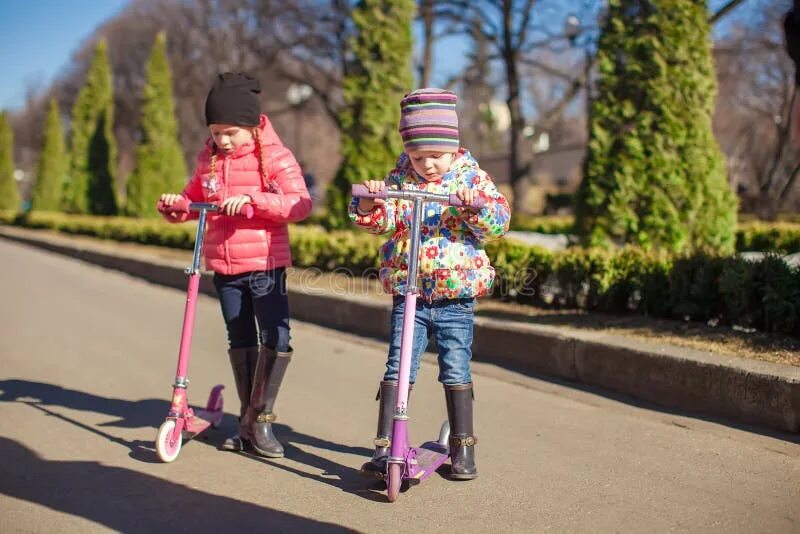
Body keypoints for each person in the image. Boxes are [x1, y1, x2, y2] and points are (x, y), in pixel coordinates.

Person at [349, 88, 511, 480]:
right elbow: (385, 221)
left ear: (452, 148)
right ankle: (385, 446)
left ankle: (463, 448)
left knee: (455, 366)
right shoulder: (401, 175)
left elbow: (499, 220)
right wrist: (371, 204)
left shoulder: (470, 176)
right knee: (398, 366)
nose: (427, 166)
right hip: (411, 293)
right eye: (419, 157)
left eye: (435, 157)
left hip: (455, 295)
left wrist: (476, 206)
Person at [158, 72, 312, 457]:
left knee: (276, 338)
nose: (222, 140)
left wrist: (253, 200)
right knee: (239, 338)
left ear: (252, 124)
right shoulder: (208, 159)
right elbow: (194, 199)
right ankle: (247, 418)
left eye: (230, 132)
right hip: (224, 268)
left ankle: (260, 419)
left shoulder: (275, 157)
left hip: (265, 264)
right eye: (215, 131)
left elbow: (300, 203)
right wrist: (176, 206)